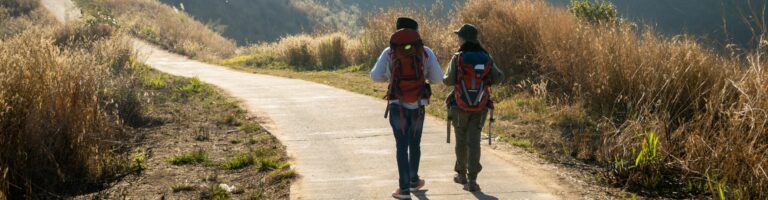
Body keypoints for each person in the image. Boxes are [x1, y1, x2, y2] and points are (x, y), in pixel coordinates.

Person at [370, 17, 443, 200]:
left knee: (401, 146)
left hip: (397, 105)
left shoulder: (389, 52)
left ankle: (403, 190)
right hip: (418, 105)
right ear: (416, 32)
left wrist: (391, 76)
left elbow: (374, 76)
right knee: (415, 143)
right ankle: (413, 180)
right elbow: (438, 79)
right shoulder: (425, 52)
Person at [443, 24, 504, 192]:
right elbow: (499, 77)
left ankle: (461, 175)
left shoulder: (458, 57)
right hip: (480, 106)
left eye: (459, 36)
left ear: (463, 38)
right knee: (474, 141)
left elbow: (448, 80)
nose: (457, 39)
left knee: (461, 140)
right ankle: (472, 180)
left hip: (459, 105)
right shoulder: (486, 56)